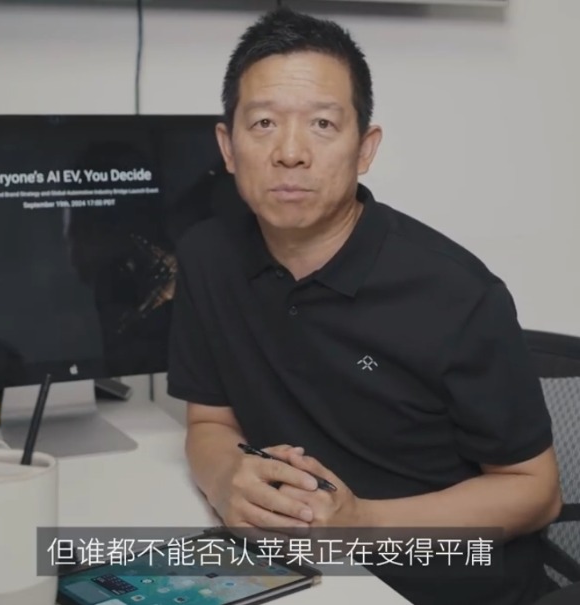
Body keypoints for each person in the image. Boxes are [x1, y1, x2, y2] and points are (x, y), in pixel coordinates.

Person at [166, 8, 562, 605]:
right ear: (227, 146)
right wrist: (225, 482)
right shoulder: (206, 256)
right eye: (264, 122)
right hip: (303, 579)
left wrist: (364, 524)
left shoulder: (456, 293)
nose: (290, 152)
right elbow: (210, 422)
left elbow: (536, 491)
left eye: (323, 124)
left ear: (364, 148)